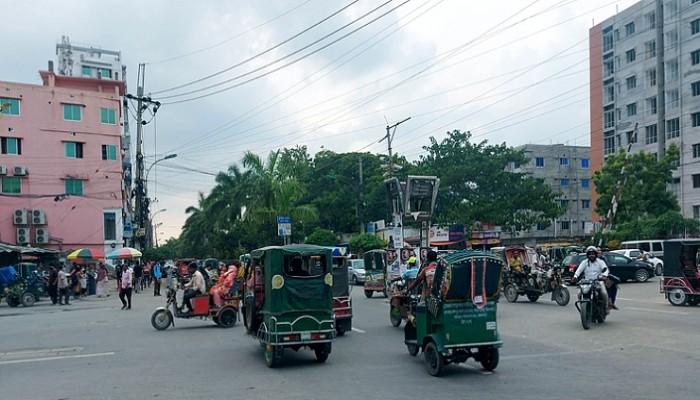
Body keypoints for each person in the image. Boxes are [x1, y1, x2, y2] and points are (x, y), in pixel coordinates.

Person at [571, 246, 610, 314]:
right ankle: (583, 306)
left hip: (598, 281)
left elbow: (605, 269)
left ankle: (606, 306)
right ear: (587, 255)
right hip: (587, 282)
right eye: (590, 254)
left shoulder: (600, 262)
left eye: (593, 254)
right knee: (579, 293)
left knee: (604, 293)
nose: (591, 255)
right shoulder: (584, 262)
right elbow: (579, 270)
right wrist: (575, 277)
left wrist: (604, 276)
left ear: (595, 254)